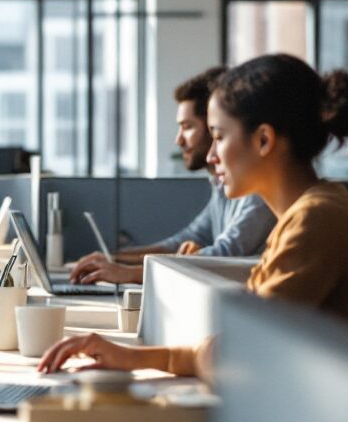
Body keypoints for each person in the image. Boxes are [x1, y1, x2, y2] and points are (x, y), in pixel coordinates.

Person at [41, 54, 348, 377]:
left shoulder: (317, 222)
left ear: (263, 140)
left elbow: (240, 357)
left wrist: (143, 358)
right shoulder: (314, 211)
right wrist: (135, 357)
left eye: (220, 136)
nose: (212, 156)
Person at [70, 67, 275, 285]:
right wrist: (114, 260)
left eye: (188, 127)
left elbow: (225, 255)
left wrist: (128, 272)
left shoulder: (261, 189)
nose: (178, 140)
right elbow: (188, 240)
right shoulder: (223, 185)